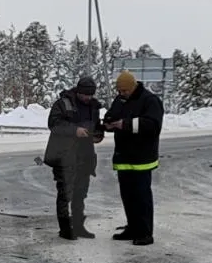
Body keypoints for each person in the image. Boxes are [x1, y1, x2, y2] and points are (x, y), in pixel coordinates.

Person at [105, 71, 163, 246]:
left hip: (142, 158)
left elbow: (152, 125)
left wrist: (126, 124)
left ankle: (145, 232)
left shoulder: (150, 101)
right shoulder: (120, 100)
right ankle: (132, 227)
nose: (121, 94)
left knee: (142, 197)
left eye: (124, 91)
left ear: (133, 87)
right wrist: (107, 123)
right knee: (128, 196)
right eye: (119, 91)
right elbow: (112, 115)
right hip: (124, 157)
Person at [44, 76, 105, 239]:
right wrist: (74, 131)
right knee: (65, 193)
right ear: (78, 91)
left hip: (85, 156)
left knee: (80, 194)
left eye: (90, 95)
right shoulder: (63, 104)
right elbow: (54, 124)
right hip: (64, 155)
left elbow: (97, 127)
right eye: (85, 95)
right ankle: (65, 229)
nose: (88, 98)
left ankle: (78, 226)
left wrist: (98, 135)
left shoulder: (94, 107)